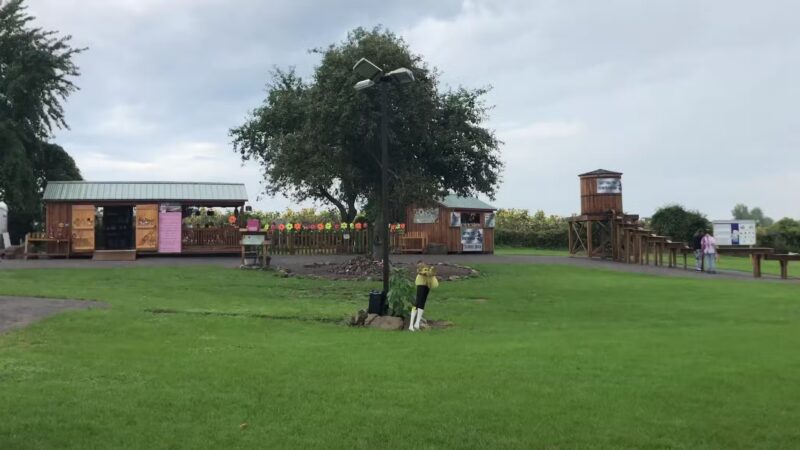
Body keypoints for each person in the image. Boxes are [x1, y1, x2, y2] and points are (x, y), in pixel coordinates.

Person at [409, 264, 439, 331]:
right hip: (421, 285)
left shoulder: (427, 271)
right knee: (417, 303)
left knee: (422, 303)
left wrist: (432, 270)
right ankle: (411, 325)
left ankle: (417, 323)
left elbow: (432, 273)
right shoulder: (421, 272)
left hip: (427, 285)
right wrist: (427, 272)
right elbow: (421, 272)